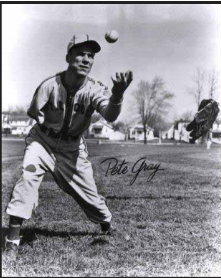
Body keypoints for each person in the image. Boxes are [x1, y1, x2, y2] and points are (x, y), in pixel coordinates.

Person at [4, 34, 133, 258]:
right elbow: (34, 114)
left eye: (90, 55)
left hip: (72, 148)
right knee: (27, 178)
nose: (86, 59)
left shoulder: (95, 89)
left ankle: (107, 225)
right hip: (42, 142)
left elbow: (110, 115)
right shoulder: (49, 85)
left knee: (90, 196)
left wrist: (118, 94)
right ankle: (12, 241)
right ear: (68, 57)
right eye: (80, 54)